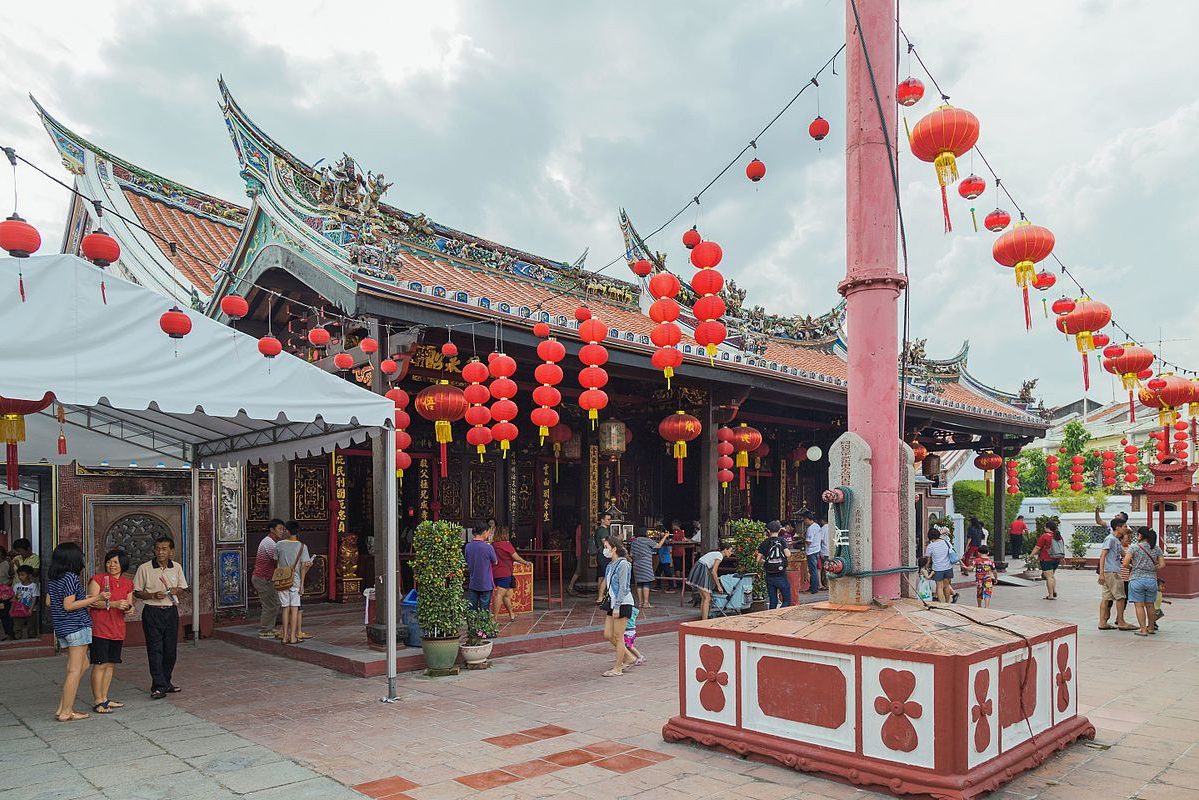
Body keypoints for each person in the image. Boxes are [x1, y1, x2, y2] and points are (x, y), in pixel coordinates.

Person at [47, 542, 109, 722]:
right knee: (75, 670)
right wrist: (96, 598)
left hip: (62, 627)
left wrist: (86, 598)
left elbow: (50, 602)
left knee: (82, 665)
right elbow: (69, 605)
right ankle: (67, 711)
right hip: (76, 626)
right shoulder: (70, 578)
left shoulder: (54, 578)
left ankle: (62, 707)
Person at [133, 535, 187, 699]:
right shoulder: (145, 568)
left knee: (170, 649)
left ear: (171, 551)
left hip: (170, 611)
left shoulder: (176, 567)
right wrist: (151, 595)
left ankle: (166, 681)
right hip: (152, 611)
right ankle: (157, 686)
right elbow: (137, 592)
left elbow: (183, 587)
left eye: (164, 549)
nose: (160, 552)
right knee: (155, 649)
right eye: (157, 549)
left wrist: (177, 590)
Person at [86, 548, 135, 713]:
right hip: (100, 628)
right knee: (100, 664)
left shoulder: (128, 583)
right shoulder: (98, 579)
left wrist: (129, 608)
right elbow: (92, 602)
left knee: (111, 665)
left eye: (115, 562)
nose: (111, 565)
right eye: (109, 561)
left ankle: (105, 698)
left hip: (118, 628)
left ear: (123, 564)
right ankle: (98, 701)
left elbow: (129, 603)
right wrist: (113, 604)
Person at [600, 535, 635, 677]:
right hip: (612, 602)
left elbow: (623, 587)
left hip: (623, 602)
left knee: (618, 636)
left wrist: (617, 606)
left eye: (607, 547)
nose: (605, 550)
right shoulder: (609, 566)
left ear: (614, 548)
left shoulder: (623, 564)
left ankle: (618, 668)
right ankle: (630, 657)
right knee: (608, 634)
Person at [1123, 527, 1165, 637]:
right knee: (1150, 605)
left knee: (1139, 606)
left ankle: (1143, 629)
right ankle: (1151, 628)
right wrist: (1152, 568)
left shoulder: (1134, 547)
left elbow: (1125, 563)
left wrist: (1133, 567)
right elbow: (1162, 564)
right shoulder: (1156, 548)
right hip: (1151, 580)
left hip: (1136, 579)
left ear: (1141, 535)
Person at [275, 522, 312, 645]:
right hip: (295, 581)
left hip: (282, 581)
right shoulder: (302, 547)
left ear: (287, 531)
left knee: (285, 608)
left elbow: (277, 562)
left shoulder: (279, 544)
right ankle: (293, 637)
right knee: (294, 609)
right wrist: (302, 585)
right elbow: (303, 567)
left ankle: (284, 636)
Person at [1098, 517, 1135, 631]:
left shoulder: (1116, 540)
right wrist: (1101, 573)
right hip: (1112, 572)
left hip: (1110, 571)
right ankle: (1121, 622)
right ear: (1118, 528)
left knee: (1106, 597)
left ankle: (1102, 622)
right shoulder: (1110, 539)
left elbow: (1124, 555)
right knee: (1121, 597)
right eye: (1124, 526)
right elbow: (1103, 556)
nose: (1126, 528)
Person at [251, 519, 286, 638]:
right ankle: (265, 630)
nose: (282, 531)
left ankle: (270, 627)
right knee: (270, 605)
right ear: (272, 530)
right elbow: (278, 560)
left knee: (274, 603)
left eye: (283, 529)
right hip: (263, 579)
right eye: (280, 529)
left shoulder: (272, 542)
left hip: (267, 579)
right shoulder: (269, 543)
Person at [491, 527, 531, 621]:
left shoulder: (493, 545)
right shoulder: (506, 544)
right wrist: (525, 562)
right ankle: (494, 618)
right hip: (505, 573)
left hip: (495, 572)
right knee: (499, 595)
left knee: (506, 595)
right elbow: (516, 557)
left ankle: (511, 614)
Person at [687, 544, 733, 621]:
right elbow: (714, 571)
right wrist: (719, 586)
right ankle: (704, 620)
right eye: (730, 550)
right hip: (702, 569)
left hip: (699, 568)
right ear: (725, 549)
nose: (731, 553)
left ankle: (703, 618)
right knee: (707, 598)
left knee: (704, 598)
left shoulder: (716, 554)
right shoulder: (719, 556)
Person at [630, 527, 669, 609]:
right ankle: (646, 603)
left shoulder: (634, 541)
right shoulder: (646, 540)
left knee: (640, 583)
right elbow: (658, 546)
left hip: (636, 564)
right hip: (646, 564)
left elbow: (631, 554)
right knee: (646, 583)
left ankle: (640, 603)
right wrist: (665, 536)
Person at [756, 520, 792, 609]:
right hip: (781, 574)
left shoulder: (764, 542)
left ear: (768, 531)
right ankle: (781, 614)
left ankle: (772, 617)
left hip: (769, 575)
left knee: (773, 601)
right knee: (787, 600)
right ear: (779, 530)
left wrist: (766, 562)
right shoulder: (782, 541)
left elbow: (758, 559)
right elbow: (788, 554)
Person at [464, 524, 498, 611]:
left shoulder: (468, 547)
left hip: (473, 582)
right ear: (484, 532)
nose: (488, 534)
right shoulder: (488, 547)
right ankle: (483, 624)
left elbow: (466, 561)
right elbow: (495, 561)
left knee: (472, 608)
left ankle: (472, 624)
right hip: (485, 583)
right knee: (484, 609)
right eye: (488, 532)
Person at [1032, 520, 1065, 600]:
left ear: (1048, 528)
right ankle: (1053, 591)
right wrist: (1062, 558)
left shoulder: (1045, 536)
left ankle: (1050, 595)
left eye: (1045, 526)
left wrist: (1031, 555)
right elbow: (1062, 547)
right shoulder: (1059, 536)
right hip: (1056, 559)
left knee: (1049, 577)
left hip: (1046, 559)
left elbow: (1037, 547)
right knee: (1052, 576)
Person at [924, 528, 954, 603]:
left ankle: (942, 605)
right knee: (946, 586)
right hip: (948, 567)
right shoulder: (946, 542)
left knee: (939, 587)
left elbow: (928, 558)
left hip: (938, 569)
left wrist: (926, 567)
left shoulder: (931, 546)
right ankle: (948, 603)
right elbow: (951, 551)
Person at [11, 564, 39, 639]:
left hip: (31, 610)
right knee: (17, 626)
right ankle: (17, 639)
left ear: (29, 575)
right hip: (18, 610)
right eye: (19, 575)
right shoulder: (17, 586)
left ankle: (32, 640)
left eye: (22, 575)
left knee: (31, 626)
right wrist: (12, 609)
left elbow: (34, 598)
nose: (20, 577)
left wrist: (31, 609)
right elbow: (15, 598)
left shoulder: (33, 586)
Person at [803, 513, 823, 593]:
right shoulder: (817, 526)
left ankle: (814, 588)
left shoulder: (810, 528)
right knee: (813, 570)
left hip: (811, 551)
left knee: (813, 570)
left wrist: (802, 539)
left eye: (804, 519)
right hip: (816, 549)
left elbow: (808, 541)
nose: (804, 521)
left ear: (808, 519)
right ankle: (813, 587)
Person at [592, 512, 612, 586]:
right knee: (606, 575)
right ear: (602, 520)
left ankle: (600, 595)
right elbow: (605, 544)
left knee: (601, 576)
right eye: (608, 519)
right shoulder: (604, 530)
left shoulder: (598, 529)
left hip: (599, 555)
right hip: (604, 555)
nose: (610, 521)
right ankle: (603, 594)